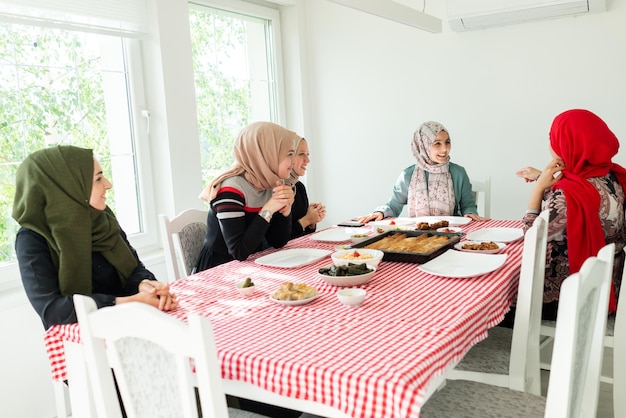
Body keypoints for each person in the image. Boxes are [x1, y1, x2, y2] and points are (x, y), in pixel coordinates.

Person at [13, 145, 178, 331]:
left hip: (133, 324)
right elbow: (52, 310)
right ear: (69, 187)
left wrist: (146, 285)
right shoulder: (32, 239)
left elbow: (134, 268)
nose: (108, 184)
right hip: (85, 342)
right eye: (98, 179)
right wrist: (129, 302)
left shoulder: (101, 219)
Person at [518, 109, 626, 320]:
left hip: (576, 296)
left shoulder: (568, 194)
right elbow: (579, 203)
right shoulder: (612, 177)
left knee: (500, 301)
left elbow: (531, 238)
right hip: (611, 285)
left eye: (553, 138)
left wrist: (537, 191)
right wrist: (543, 177)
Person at [195, 121, 297, 271]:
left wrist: (285, 211)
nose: (294, 161)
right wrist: (268, 209)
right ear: (267, 154)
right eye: (289, 154)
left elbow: (278, 242)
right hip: (219, 270)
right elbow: (238, 251)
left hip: (254, 263)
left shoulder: (268, 183)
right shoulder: (229, 190)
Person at [357, 121, 488, 223]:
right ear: (423, 145)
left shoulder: (458, 173)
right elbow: (393, 206)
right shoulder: (408, 175)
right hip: (418, 237)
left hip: (452, 234)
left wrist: (470, 212)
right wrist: (380, 212)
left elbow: (468, 205)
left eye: (447, 142)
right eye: (437, 143)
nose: (445, 149)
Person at [289, 137, 326, 238]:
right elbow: (277, 240)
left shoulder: (299, 187)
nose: (308, 160)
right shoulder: (274, 190)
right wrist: (307, 220)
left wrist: (312, 221)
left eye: (308, 154)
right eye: (302, 154)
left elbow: (305, 236)